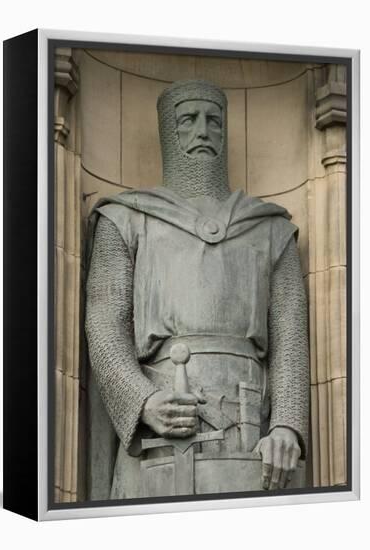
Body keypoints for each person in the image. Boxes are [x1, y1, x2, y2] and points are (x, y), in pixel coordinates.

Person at [85, 79, 309, 499]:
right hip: (160, 430)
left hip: (250, 436)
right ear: (169, 133)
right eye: (188, 120)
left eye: (214, 121)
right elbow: (104, 327)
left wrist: (286, 426)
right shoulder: (126, 219)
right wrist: (144, 401)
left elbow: (291, 342)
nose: (203, 131)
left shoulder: (270, 229)